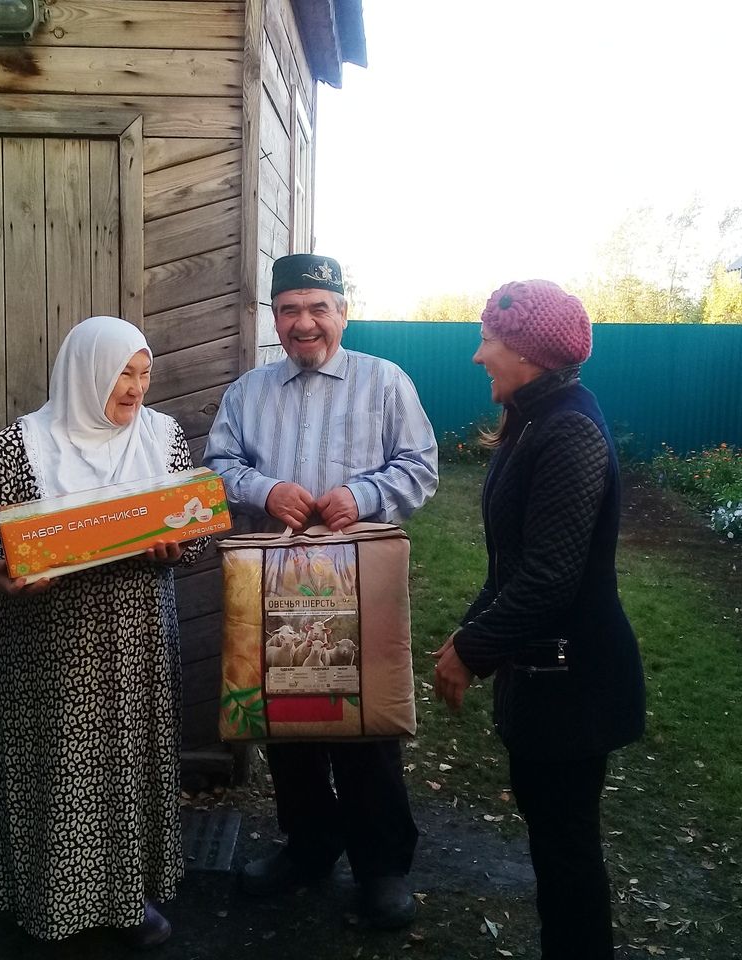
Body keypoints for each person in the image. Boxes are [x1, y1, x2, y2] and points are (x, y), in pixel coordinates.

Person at [204, 253, 438, 929]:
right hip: (273, 583)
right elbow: (220, 465)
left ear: (343, 310)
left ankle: (382, 867)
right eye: (288, 310)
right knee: (289, 719)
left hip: (360, 582)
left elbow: (421, 467)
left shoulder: (385, 383)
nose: (303, 323)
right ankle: (307, 849)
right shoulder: (249, 392)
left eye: (317, 308)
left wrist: (361, 494)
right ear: (274, 316)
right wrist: (265, 489)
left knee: (363, 723)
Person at [0, 315, 206, 949]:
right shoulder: (25, 443)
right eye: (123, 373)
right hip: (50, 643)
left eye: (145, 374)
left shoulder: (164, 438)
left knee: (130, 765)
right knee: (60, 765)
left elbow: (195, 527)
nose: (135, 389)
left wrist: (180, 547)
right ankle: (50, 900)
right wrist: (2, 573)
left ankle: (128, 900)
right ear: (86, 371)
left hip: (137, 638)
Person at [432, 280, 646, 959]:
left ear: (527, 353)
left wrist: (472, 649)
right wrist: (471, 631)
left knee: (567, 849)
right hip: (545, 674)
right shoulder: (537, 417)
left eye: (488, 340)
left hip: (575, 684)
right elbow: (514, 564)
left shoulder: (569, 431)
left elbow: (551, 577)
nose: (477, 355)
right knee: (553, 839)